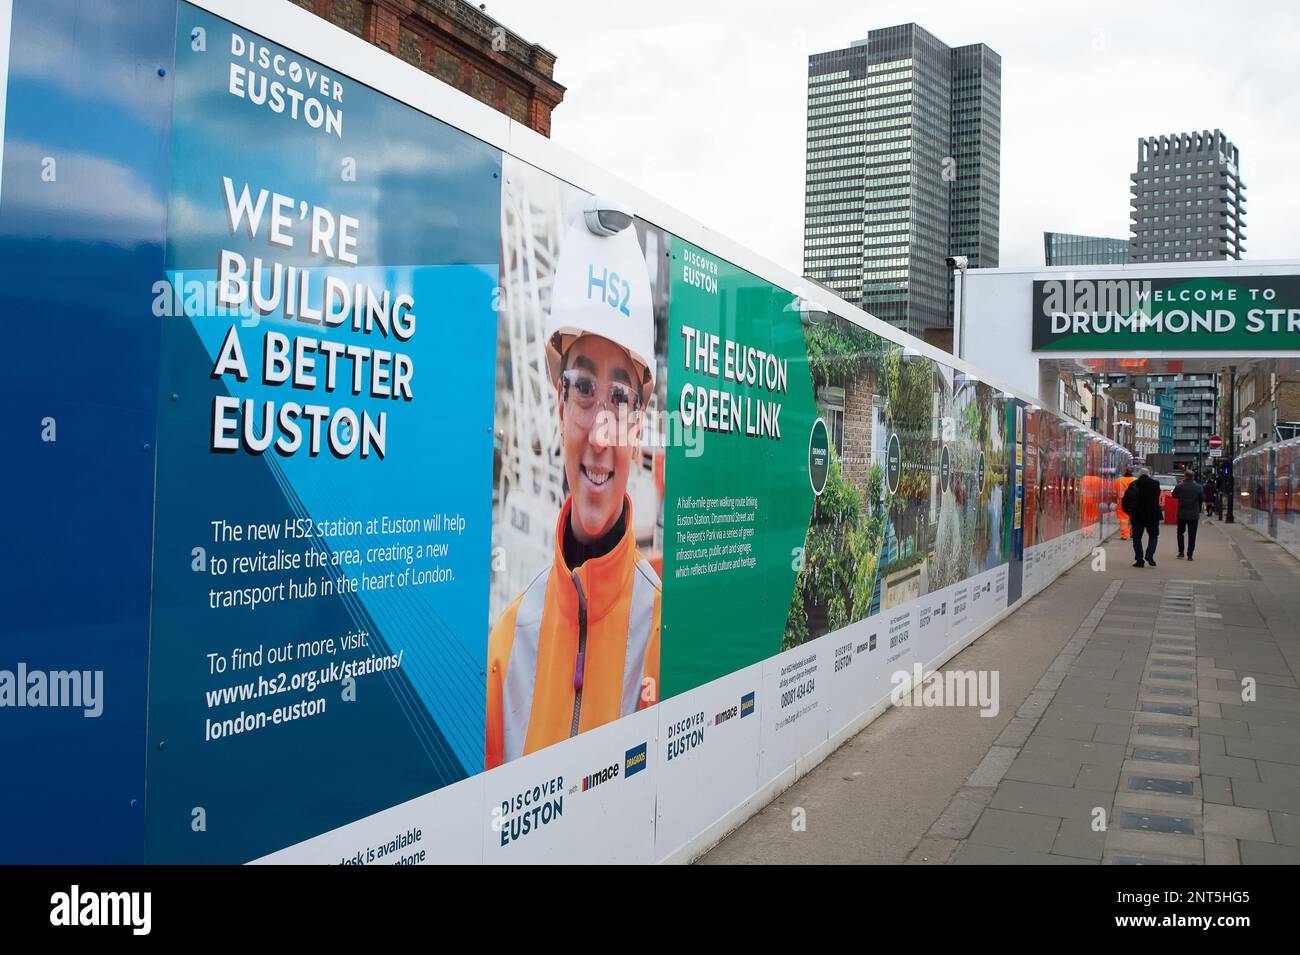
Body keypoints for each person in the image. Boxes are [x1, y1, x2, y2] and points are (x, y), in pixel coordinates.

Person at [486, 209, 661, 770]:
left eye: (620, 398)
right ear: (558, 405)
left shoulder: (669, 631)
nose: (602, 434)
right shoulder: (506, 647)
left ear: (639, 424)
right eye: (584, 389)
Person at [1127, 467, 1163, 567]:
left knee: (1137, 538)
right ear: (1149, 474)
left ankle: (1139, 560)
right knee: (1153, 535)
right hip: (1152, 514)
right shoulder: (1155, 484)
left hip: (1137, 515)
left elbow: (1126, 499)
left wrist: (1129, 512)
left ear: (1139, 475)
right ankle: (1150, 554)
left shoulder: (1134, 485)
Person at [1172, 469, 1205, 560]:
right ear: (1193, 476)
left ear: (1185, 476)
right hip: (1194, 513)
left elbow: (1174, 495)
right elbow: (1202, 498)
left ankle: (1181, 551)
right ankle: (1190, 554)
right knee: (1192, 534)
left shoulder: (1180, 486)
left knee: (1180, 533)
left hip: (1182, 512)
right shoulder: (1198, 487)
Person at [1116, 467, 1135, 540]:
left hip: (1122, 502)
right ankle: (1133, 534)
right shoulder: (1136, 480)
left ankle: (1124, 535)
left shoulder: (1118, 480)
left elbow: (1114, 493)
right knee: (1134, 519)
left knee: (1123, 520)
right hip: (1134, 503)